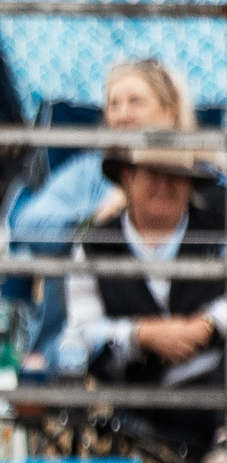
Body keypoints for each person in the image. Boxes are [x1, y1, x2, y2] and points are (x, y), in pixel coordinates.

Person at [52, 146, 227, 463]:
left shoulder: (218, 234)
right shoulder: (93, 246)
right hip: (139, 395)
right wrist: (141, 334)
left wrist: (207, 325)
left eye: (176, 177)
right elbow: (81, 331)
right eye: (152, 176)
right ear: (128, 180)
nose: (165, 186)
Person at [11, 58, 201, 351]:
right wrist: (95, 220)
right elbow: (26, 225)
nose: (123, 114)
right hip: (81, 345)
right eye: (114, 104)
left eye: (136, 102)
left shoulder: (203, 180)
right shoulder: (88, 173)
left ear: (169, 112)